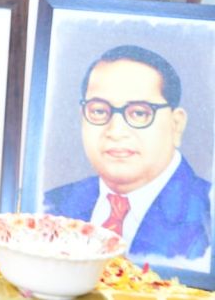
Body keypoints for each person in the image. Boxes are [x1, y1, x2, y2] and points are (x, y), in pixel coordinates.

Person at [44, 45, 211, 261]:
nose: (115, 131)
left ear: (176, 125)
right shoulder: (51, 206)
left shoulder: (207, 216)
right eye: (98, 111)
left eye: (139, 113)